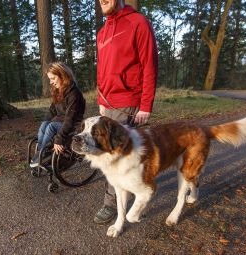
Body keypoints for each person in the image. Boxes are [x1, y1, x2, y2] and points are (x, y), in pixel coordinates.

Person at [94, 0, 158, 224]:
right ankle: (134, 184)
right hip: (107, 103)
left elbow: (149, 65)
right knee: (110, 152)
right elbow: (102, 70)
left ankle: (111, 204)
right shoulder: (102, 33)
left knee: (114, 155)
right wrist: (100, 100)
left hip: (128, 101)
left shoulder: (138, 22)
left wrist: (145, 104)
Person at [30, 62, 86, 167]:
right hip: (61, 122)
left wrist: (59, 138)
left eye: (53, 78)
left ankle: (44, 153)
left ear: (63, 75)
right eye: (50, 79)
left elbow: (70, 118)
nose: (51, 82)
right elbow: (52, 110)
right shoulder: (58, 90)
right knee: (45, 124)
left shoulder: (74, 93)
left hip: (74, 124)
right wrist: (45, 122)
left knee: (51, 126)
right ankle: (41, 151)